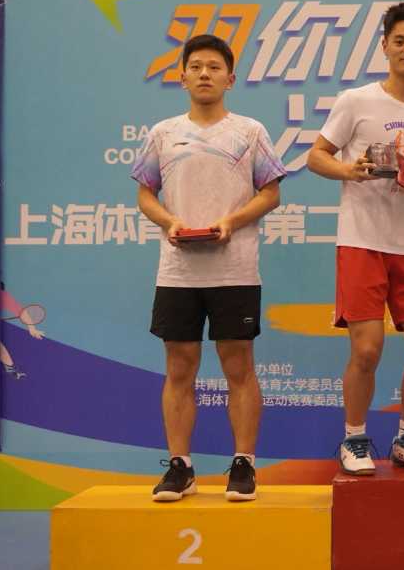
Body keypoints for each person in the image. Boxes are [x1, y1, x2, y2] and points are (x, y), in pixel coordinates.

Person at [132, 34, 286, 502]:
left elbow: (271, 192)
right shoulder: (163, 133)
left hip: (235, 271)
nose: (205, 74)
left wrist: (231, 222)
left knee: (238, 365)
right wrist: (170, 222)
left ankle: (244, 464)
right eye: (196, 66)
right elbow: (145, 194)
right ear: (181, 77)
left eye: (214, 67)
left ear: (230, 79)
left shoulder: (250, 131)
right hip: (177, 273)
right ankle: (180, 467)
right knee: (179, 366)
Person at [307, 2, 404, 475]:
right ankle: (354, 440)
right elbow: (316, 156)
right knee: (366, 350)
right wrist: (350, 170)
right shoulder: (356, 101)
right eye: (400, 41)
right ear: (385, 45)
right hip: (362, 241)